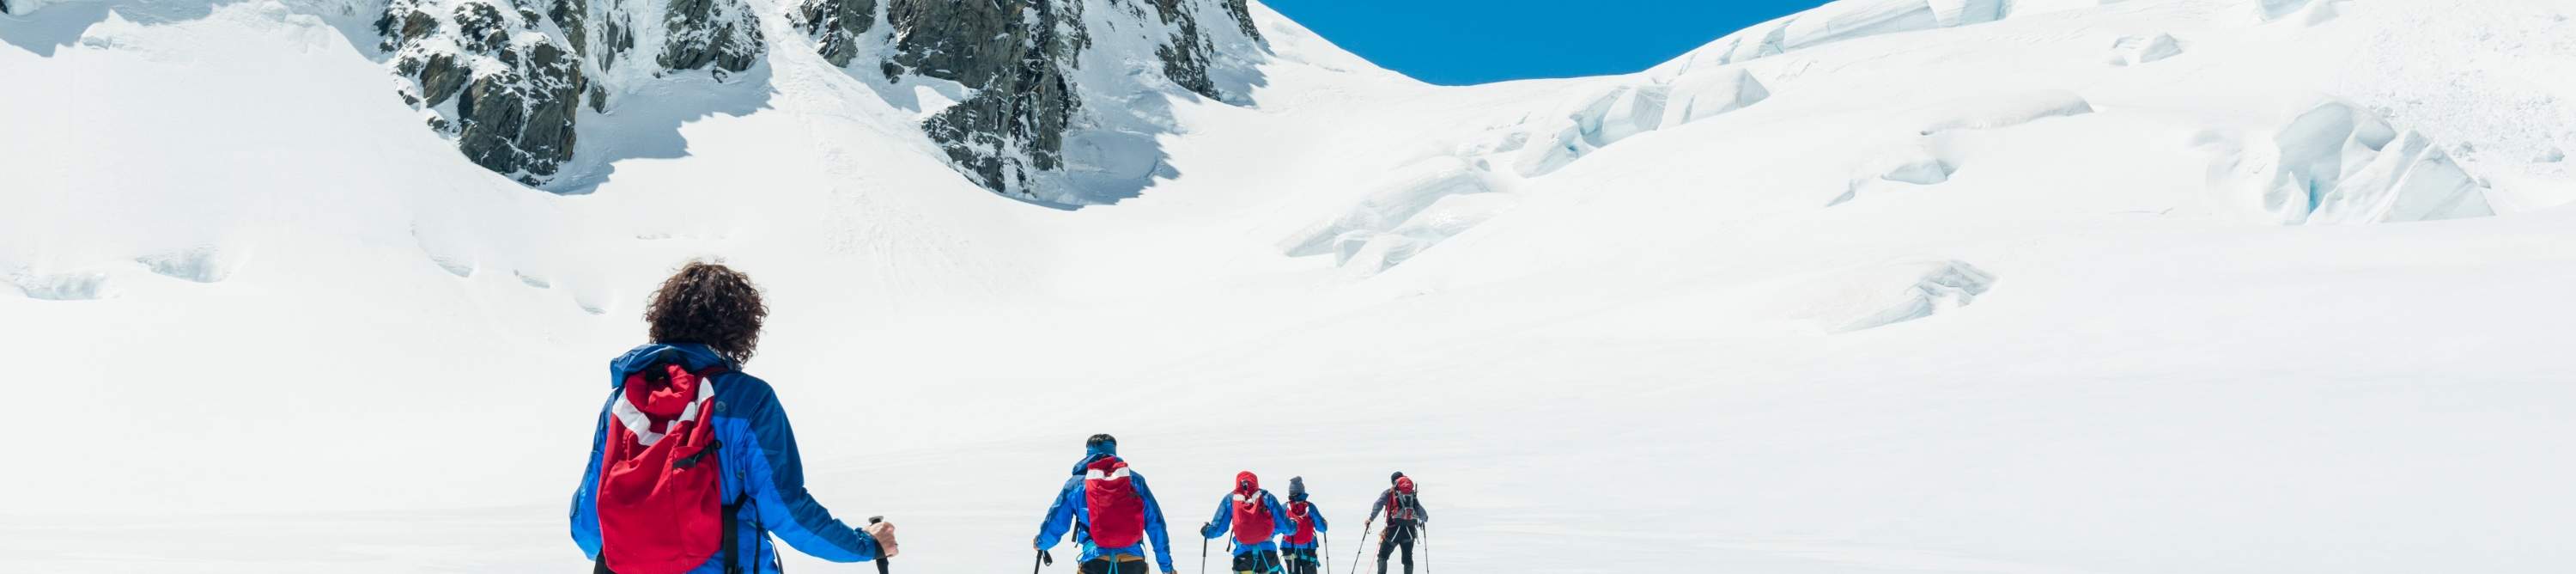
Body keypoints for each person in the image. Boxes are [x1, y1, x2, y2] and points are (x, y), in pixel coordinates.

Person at [571, 260, 899, 573]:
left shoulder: (624, 401)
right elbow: (787, 513)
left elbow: (587, 526)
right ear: (740, 326)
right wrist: (866, 545)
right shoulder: (749, 399)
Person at [1036, 434, 1181, 574]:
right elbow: (1155, 524)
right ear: (1114, 451)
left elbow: (1057, 521)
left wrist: (1041, 543)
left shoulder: (1077, 483)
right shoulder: (1135, 481)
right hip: (1133, 562)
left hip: (1095, 560)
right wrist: (1166, 568)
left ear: (1088, 453)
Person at [1201, 471, 1294, 574]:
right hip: (1268, 556)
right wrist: (1294, 525)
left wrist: (1207, 531)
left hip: (1243, 556)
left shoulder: (1231, 499)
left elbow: (1217, 530)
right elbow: (1287, 528)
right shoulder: (1267, 497)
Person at [1366, 473, 1427, 574]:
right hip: (1409, 531)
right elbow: (1422, 513)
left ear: (1393, 482)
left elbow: (1378, 505)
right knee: (1408, 559)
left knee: (1383, 555)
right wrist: (1423, 519)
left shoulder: (1389, 492)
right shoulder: (1411, 494)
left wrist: (1370, 519)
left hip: (1394, 530)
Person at [1279, 477, 1329, 574]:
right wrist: (1324, 523)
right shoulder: (1310, 507)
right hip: (1308, 548)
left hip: (1289, 548)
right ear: (1303, 491)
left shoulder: (1284, 508)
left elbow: (1276, 527)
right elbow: (1322, 528)